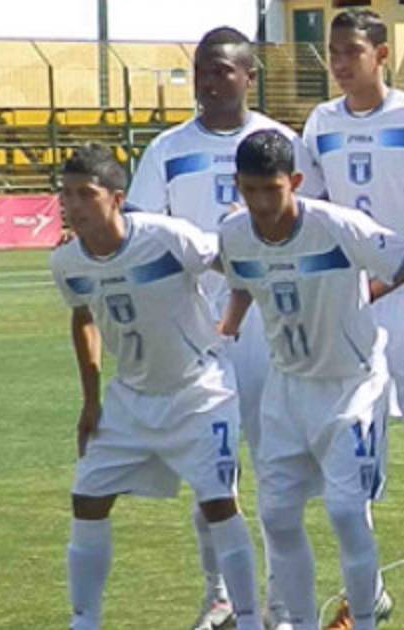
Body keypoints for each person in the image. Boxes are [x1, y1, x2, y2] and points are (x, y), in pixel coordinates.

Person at [125, 26, 323, 630]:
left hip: (270, 326)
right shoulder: (168, 149)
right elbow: (141, 229)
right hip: (197, 328)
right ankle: (220, 597)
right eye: (202, 71)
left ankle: (282, 606)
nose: (210, 83)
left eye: (223, 71)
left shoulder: (283, 142)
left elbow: (315, 223)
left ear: (249, 77)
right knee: (211, 468)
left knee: (276, 470)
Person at [52, 144, 262, 630]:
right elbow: (83, 317)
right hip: (131, 398)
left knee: (218, 503)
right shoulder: (67, 263)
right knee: (87, 499)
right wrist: (91, 400)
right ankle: (85, 621)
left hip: (200, 391)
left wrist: (229, 322)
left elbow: (237, 267)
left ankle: (249, 618)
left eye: (86, 194)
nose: (73, 205)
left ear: (117, 198)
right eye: (66, 194)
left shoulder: (166, 237)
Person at [217, 129, 404, 630]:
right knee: (278, 517)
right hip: (287, 388)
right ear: (238, 185)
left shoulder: (337, 226)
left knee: (346, 512)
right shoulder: (234, 233)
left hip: (351, 385)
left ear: (296, 182)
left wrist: (367, 293)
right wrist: (230, 323)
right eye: (250, 190)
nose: (262, 203)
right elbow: (243, 280)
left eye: (272, 190)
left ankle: (365, 617)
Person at [301, 10, 404, 626]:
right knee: (355, 460)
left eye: (351, 51)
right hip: (352, 315)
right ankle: (366, 593)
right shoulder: (320, 123)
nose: (340, 62)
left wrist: (386, 280)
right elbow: (313, 212)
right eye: (333, 51)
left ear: (382, 55)